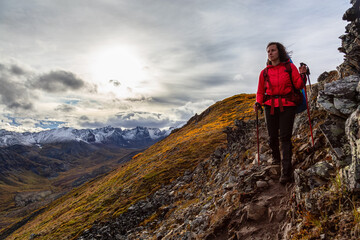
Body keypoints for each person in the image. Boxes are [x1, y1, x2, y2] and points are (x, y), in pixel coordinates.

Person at [254, 42, 307, 184]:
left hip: (287, 105)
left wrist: (302, 75)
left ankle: (285, 172)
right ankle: (276, 159)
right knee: (272, 137)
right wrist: (258, 102)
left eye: (273, 50)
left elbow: (298, 85)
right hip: (269, 106)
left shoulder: (290, 68)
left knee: (285, 137)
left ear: (279, 52)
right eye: (268, 51)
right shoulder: (264, 72)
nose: (270, 53)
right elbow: (260, 91)